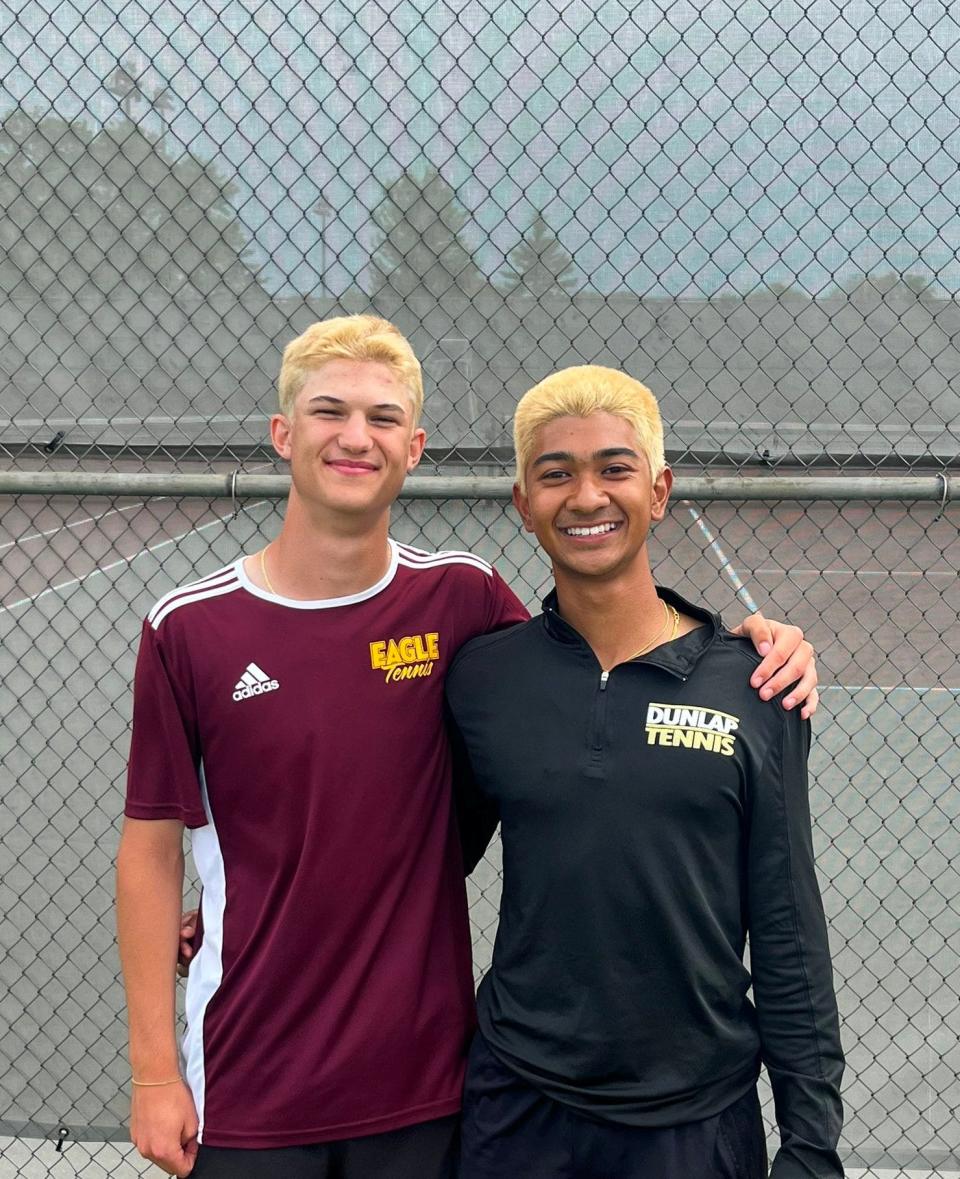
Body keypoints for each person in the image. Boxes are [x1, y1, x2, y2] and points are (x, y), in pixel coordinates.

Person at [117, 316, 820, 1179]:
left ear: (413, 447)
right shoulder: (192, 628)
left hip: (434, 1085)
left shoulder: (464, 600)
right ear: (282, 432)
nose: (353, 437)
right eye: (329, 411)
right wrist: (160, 1062)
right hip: (273, 1081)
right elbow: (152, 847)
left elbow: (598, 674)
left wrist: (754, 647)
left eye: (380, 418)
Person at [445, 366, 844, 1179]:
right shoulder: (484, 678)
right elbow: (420, 861)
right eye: (556, 474)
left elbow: (788, 931)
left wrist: (810, 1144)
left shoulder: (757, 684)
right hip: (516, 1108)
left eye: (614, 468)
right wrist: (234, 897)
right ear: (523, 505)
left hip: (693, 1123)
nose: (587, 496)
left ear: (659, 491)